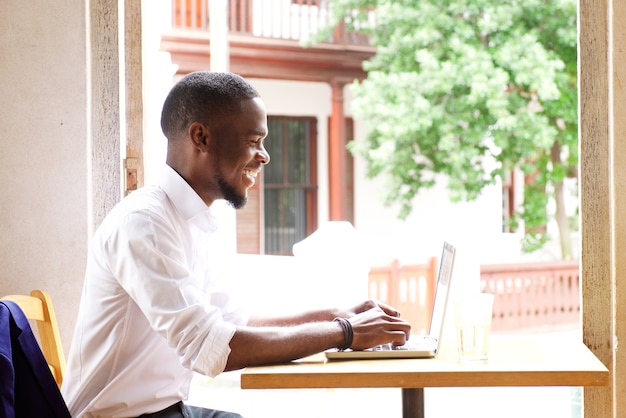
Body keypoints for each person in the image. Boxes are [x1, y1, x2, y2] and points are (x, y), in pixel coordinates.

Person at [62, 71, 411, 418]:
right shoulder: (145, 223)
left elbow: (232, 322)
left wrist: (335, 315)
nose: (265, 156)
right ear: (200, 137)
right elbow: (212, 349)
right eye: (253, 140)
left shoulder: (196, 219)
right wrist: (345, 333)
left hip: (165, 410)